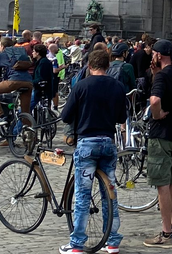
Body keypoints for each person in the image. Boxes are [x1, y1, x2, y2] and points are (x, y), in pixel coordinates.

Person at [59, 48, 125, 254]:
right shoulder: (117, 86)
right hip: (108, 142)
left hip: (87, 143)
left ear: (89, 66)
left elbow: (66, 115)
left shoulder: (81, 86)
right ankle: (112, 240)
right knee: (110, 193)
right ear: (108, 66)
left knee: (83, 194)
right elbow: (122, 117)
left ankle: (77, 243)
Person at [143, 40, 172, 248]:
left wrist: (156, 114)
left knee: (162, 184)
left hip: (161, 133)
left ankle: (166, 234)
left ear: (159, 56)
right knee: (171, 182)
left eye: (153, 53)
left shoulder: (162, 76)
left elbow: (154, 100)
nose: (151, 56)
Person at [0, 37, 33, 126]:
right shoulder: (20, 52)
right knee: (25, 113)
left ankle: (0, 116)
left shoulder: (1, 55)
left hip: (14, 81)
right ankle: (30, 136)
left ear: (2, 46)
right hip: (28, 82)